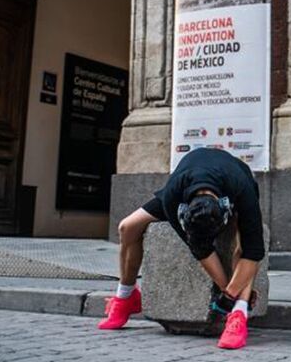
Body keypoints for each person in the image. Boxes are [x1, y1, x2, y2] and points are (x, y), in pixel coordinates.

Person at [97, 148, 265, 350]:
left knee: (242, 241)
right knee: (127, 226)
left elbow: (254, 252)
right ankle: (126, 296)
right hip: (186, 188)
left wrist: (231, 297)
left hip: (232, 188)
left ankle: (238, 314)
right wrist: (226, 290)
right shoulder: (173, 196)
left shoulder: (242, 187)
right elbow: (200, 249)